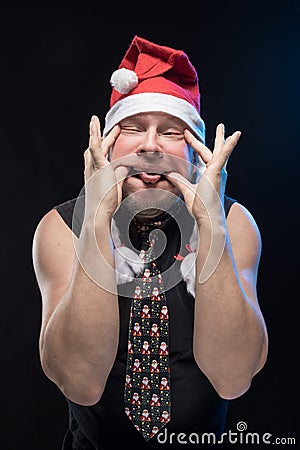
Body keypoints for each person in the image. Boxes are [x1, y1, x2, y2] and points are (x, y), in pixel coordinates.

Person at [32, 35, 268, 449]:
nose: (150, 144)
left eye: (172, 133)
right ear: (107, 143)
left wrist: (210, 223)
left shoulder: (234, 222)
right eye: (134, 128)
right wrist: (97, 219)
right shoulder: (60, 228)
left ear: (195, 155)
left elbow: (233, 378)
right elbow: (80, 382)